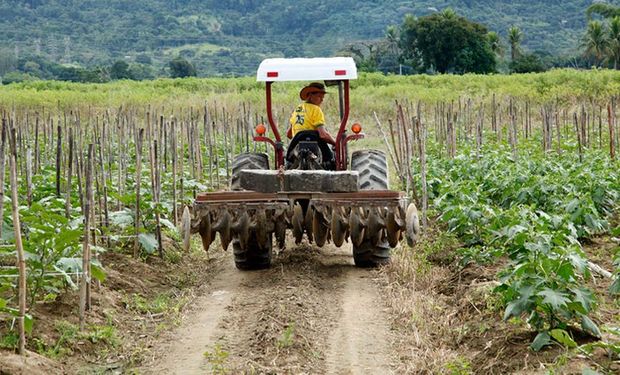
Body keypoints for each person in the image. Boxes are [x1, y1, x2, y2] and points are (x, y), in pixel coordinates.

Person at [286, 82, 336, 169]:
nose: (322, 100)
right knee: (331, 161)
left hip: (297, 144)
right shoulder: (316, 110)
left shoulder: (297, 109)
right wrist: (335, 143)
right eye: (319, 97)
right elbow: (323, 135)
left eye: (323, 98)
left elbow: (289, 134)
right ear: (310, 95)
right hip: (314, 143)